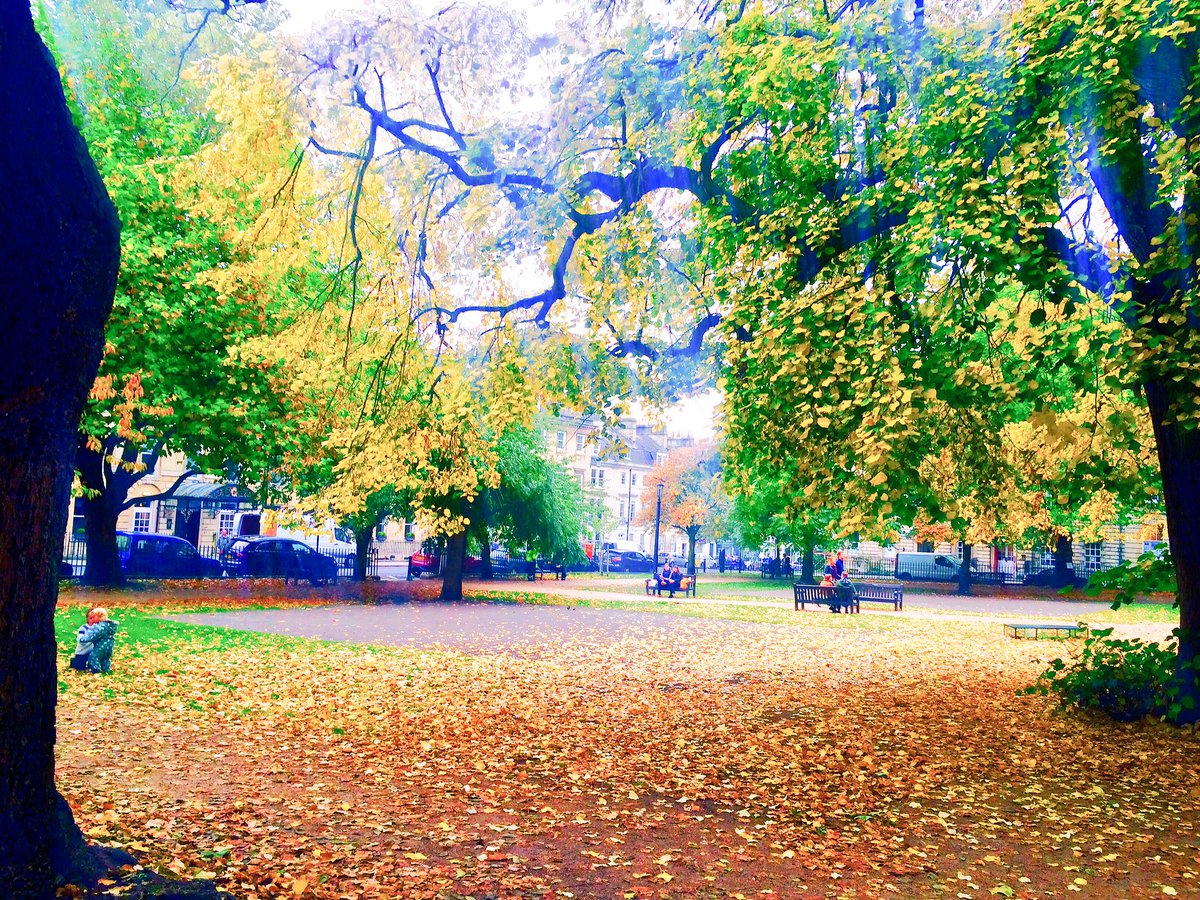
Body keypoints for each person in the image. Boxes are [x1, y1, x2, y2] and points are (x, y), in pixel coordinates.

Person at [85, 608, 118, 674]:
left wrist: (84, 639)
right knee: (105, 658)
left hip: (101, 645)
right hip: (110, 645)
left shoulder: (100, 626)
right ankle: (106, 669)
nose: (92, 619)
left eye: (94, 617)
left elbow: (94, 635)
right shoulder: (109, 626)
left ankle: (96, 670)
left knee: (93, 656)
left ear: (99, 617)